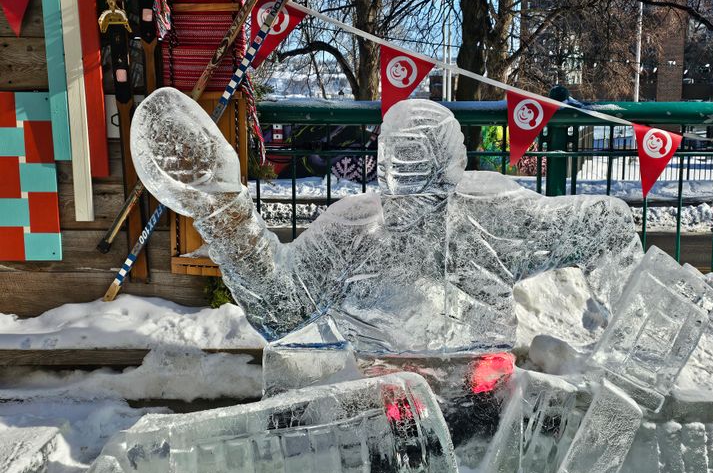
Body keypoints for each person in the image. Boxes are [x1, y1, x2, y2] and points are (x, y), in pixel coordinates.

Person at [132, 89, 643, 353]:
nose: (406, 192)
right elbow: (282, 309)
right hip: (381, 397)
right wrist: (225, 213)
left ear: (451, 171)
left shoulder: (493, 213)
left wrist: (627, 329)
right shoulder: (354, 229)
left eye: (417, 172)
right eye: (398, 172)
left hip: (481, 389)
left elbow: (606, 225)